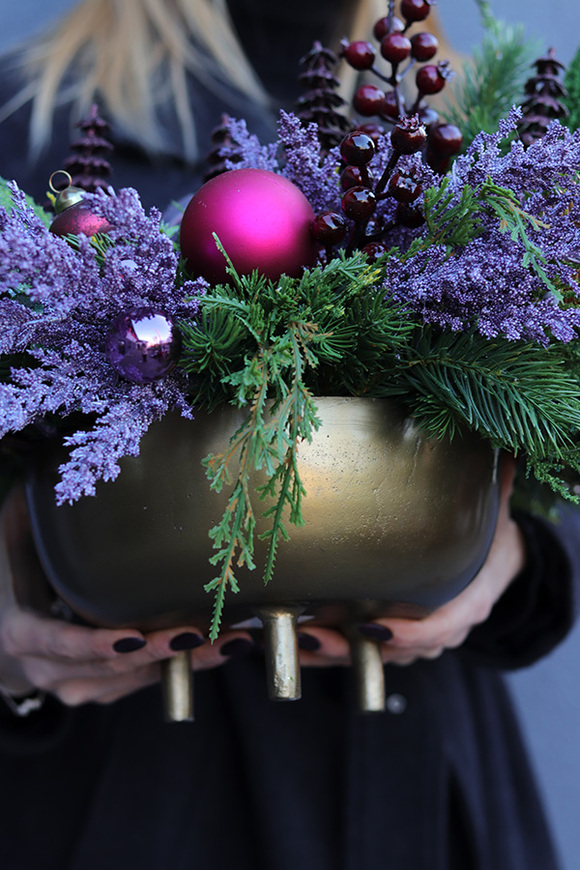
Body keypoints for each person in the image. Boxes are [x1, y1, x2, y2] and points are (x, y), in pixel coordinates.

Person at [0, 1, 578, 868]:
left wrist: (516, 554)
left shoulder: (467, 132)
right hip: (129, 789)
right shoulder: (26, 124)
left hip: (419, 781)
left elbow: (554, 418)